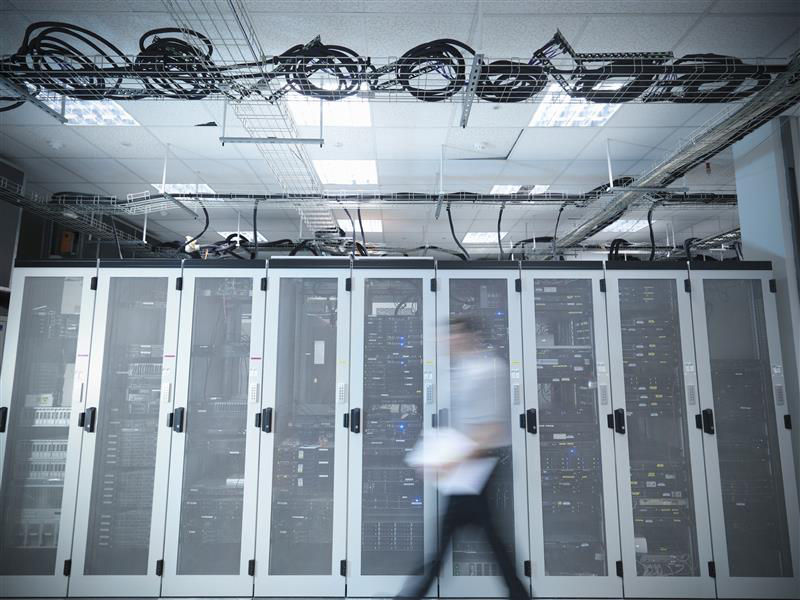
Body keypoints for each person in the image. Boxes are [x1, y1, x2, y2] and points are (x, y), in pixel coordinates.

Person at [401, 315, 529, 600]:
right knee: (490, 541)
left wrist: (450, 462)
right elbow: (458, 426)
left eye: (453, 335)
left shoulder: (488, 370)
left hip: (478, 468)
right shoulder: (459, 371)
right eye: (446, 336)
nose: (447, 341)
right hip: (467, 469)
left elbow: (490, 430)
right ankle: (519, 594)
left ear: (471, 336)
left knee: (449, 544)